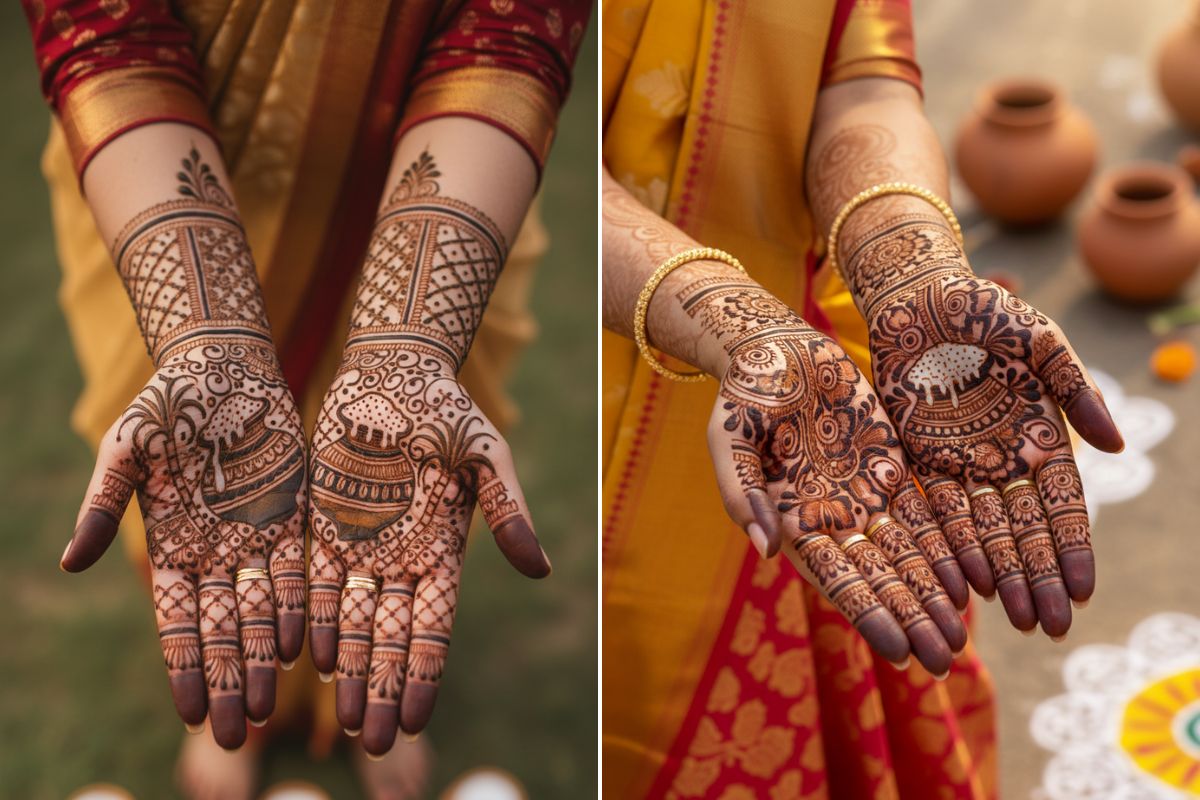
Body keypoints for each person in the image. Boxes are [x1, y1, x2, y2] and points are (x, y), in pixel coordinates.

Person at [23, 1, 590, 798]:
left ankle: (361, 705)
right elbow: (105, 30)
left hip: (458, 174)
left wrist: (407, 350)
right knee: (190, 468)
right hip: (156, 167)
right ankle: (239, 714)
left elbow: (509, 33)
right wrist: (207, 341)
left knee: (404, 489)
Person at [601, 0, 1122, 796]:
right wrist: (736, 325)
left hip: (843, 390)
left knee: (892, 631)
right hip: (620, 391)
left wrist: (907, 268)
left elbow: (862, 81)